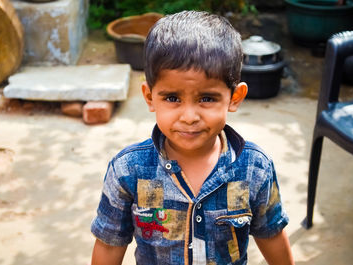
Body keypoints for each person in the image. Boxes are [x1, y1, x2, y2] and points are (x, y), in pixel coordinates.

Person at [90, 10, 294, 265]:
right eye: (172, 98)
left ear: (234, 98)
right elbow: (109, 245)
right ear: (149, 97)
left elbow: (271, 234)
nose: (189, 116)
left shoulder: (255, 168)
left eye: (206, 98)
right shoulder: (127, 170)